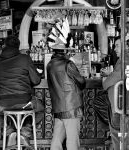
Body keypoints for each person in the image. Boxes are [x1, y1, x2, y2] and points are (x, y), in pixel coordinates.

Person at [0, 35, 44, 145]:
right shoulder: (25, 59)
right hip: (24, 102)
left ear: (4, 46)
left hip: (3, 103)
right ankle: (24, 133)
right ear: (18, 47)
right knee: (41, 109)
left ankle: (10, 132)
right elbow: (35, 81)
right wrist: (38, 74)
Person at [46, 17, 86, 150]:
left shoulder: (50, 64)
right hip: (71, 108)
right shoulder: (68, 64)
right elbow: (82, 82)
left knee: (57, 139)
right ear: (65, 50)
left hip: (58, 108)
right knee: (72, 141)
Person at [93, 36, 129, 150]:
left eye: (117, 46)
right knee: (123, 135)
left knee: (121, 136)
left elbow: (109, 82)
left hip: (121, 104)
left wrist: (108, 78)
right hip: (119, 103)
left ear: (125, 46)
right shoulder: (124, 60)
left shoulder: (126, 60)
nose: (114, 49)